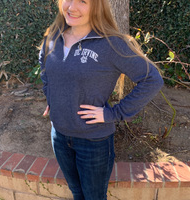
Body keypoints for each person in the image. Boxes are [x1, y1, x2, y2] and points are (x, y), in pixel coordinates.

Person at [39, 0, 164, 199]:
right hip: (59, 136)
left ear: (97, 6)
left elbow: (152, 79)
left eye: (83, 1)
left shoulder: (111, 44)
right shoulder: (53, 37)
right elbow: (45, 68)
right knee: (77, 192)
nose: (72, 7)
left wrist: (114, 113)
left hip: (93, 142)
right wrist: (51, 96)